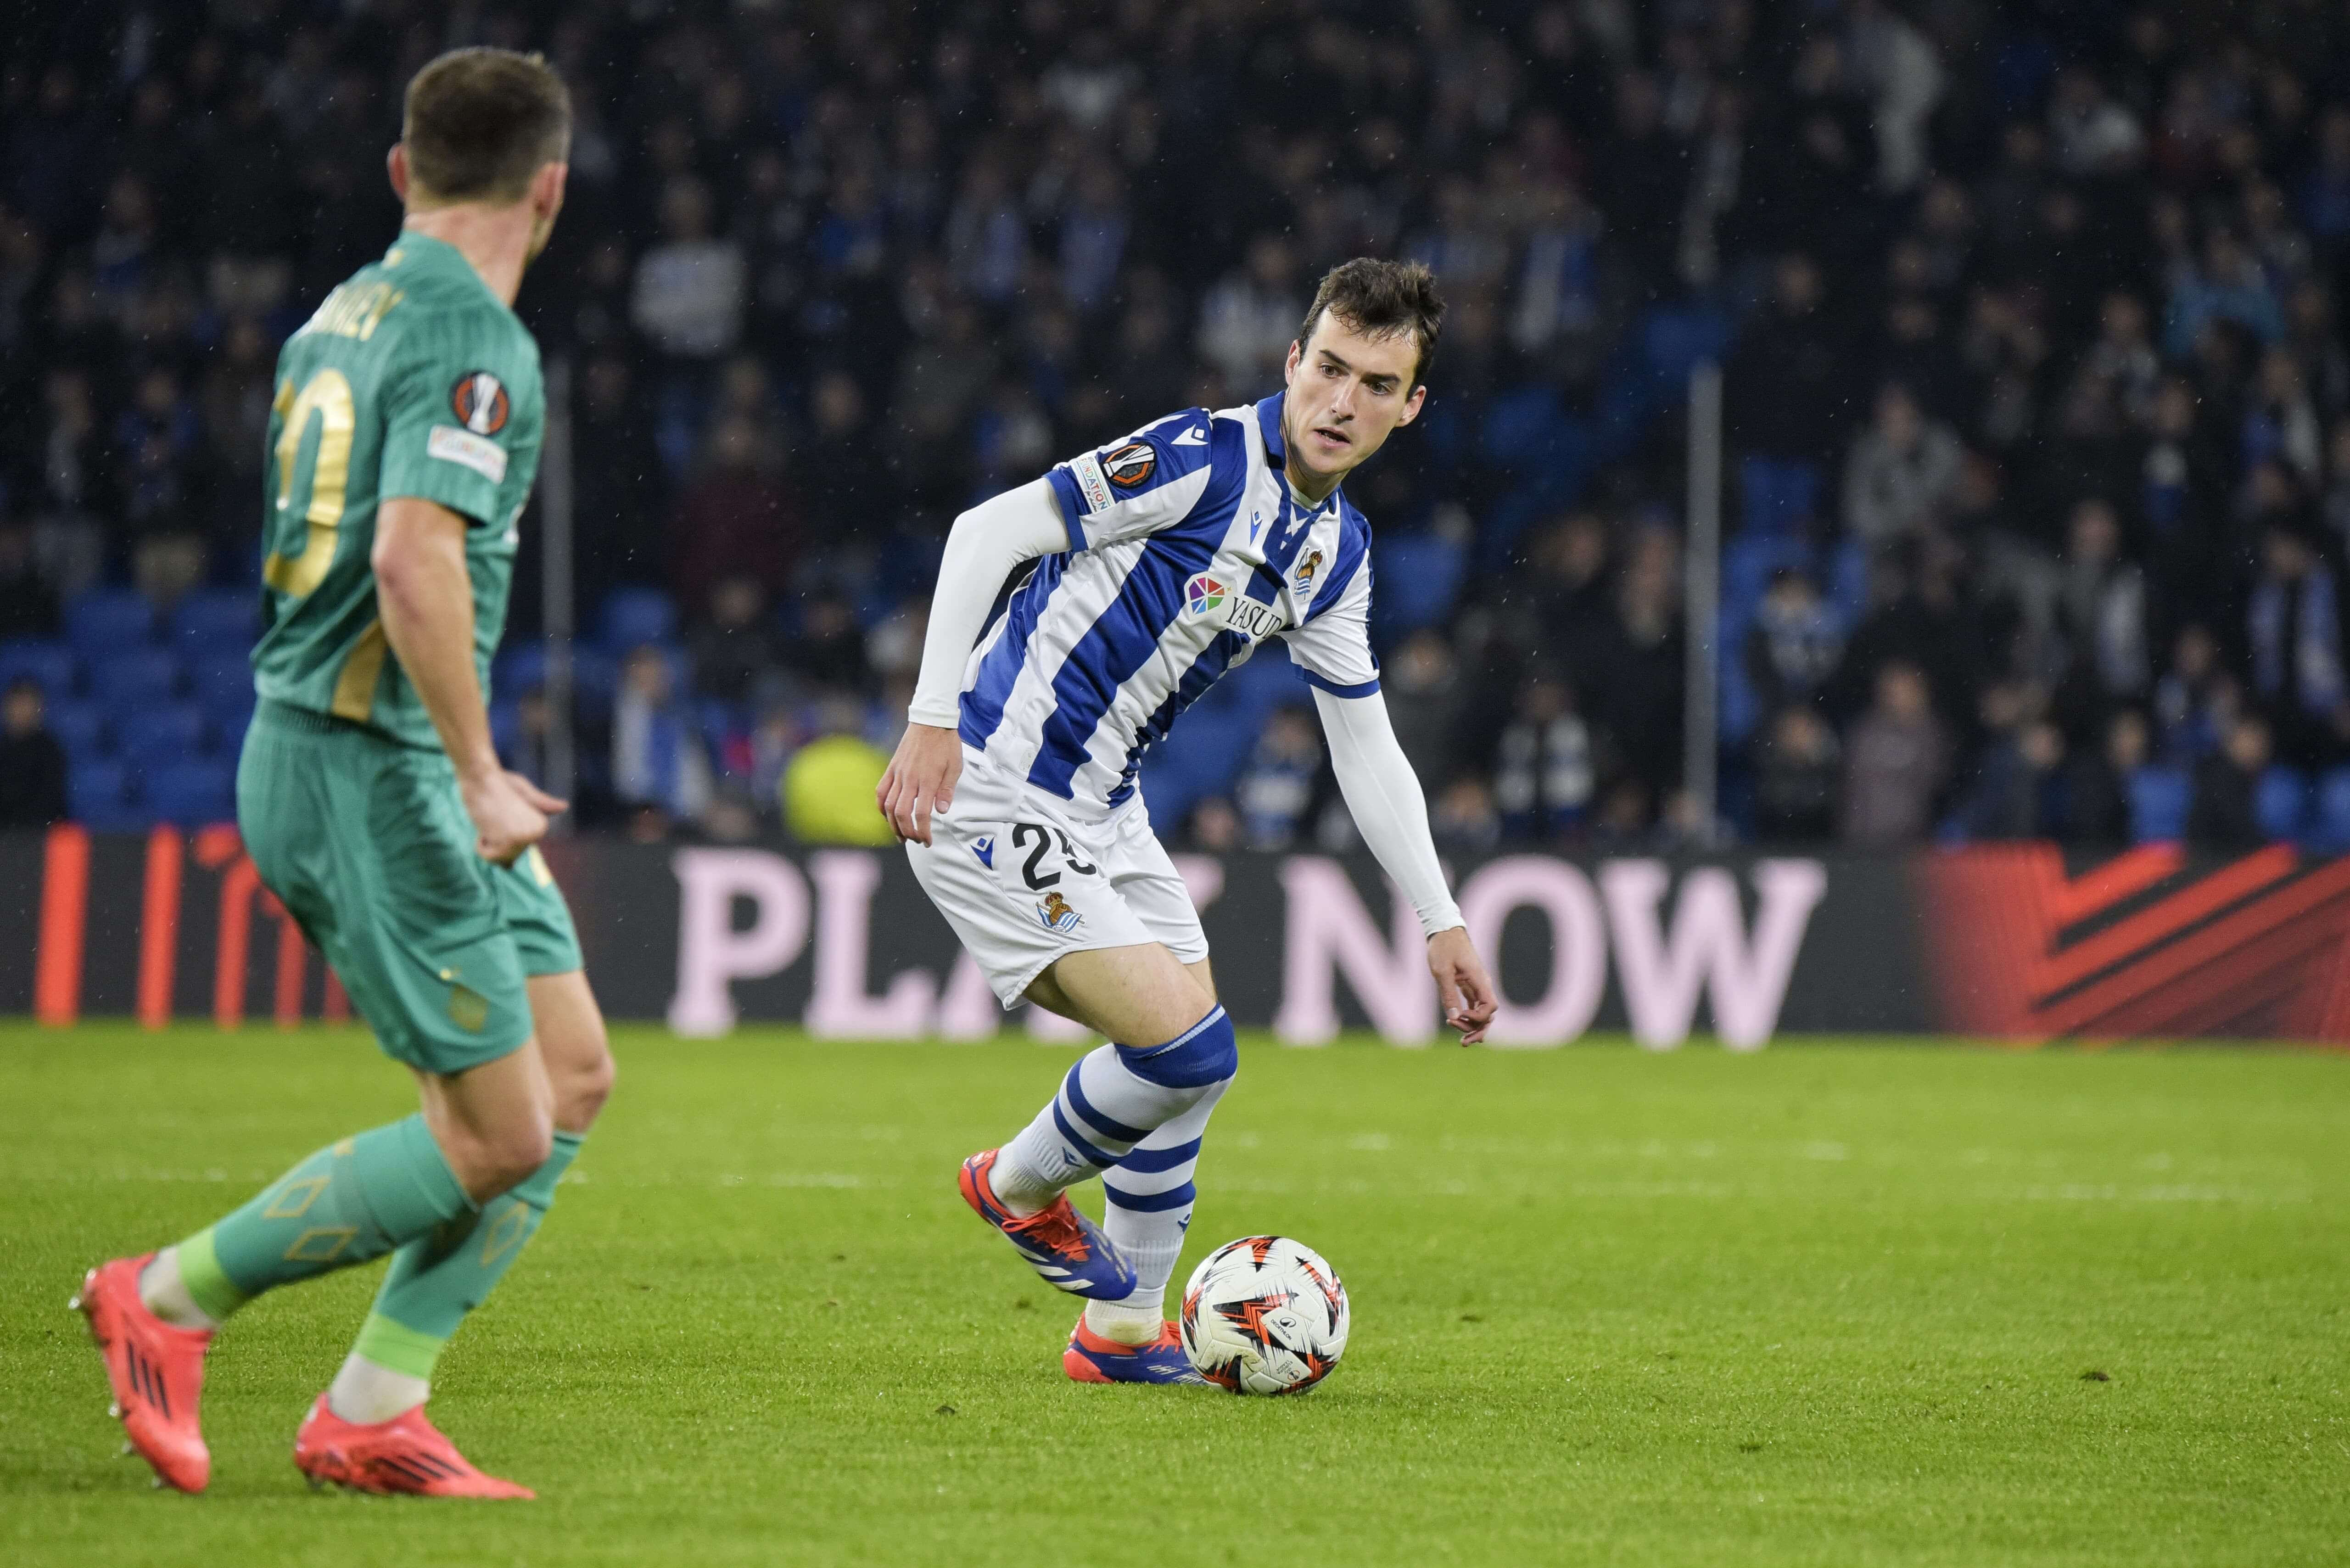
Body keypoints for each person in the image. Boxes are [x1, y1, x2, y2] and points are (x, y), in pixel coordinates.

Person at [73, 50, 613, 1501]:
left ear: (400, 171)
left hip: (366, 754)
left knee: (568, 1076)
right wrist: (484, 770)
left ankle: (373, 1406)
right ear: (549, 190)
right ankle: (168, 1295)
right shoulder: (475, 340)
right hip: (375, 763)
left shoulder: (338, 314)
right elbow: (408, 555)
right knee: (498, 1130)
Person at [877, 258, 1496, 1385]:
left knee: (1195, 1066)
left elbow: (1362, 742)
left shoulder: (1336, 552)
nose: (1341, 403)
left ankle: (1120, 1332)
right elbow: (984, 533)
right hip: (996, 784)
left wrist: (1439, 915)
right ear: (1292, 361)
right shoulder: (1198, 460)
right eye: (1329, 369)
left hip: (1104, 812)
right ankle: (1013, 1184)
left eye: (1375, 383)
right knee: (1183, 1046)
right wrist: (930, 721)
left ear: (1411, 406)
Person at [0, 676, 69, 827]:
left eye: (27, 703)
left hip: (40, 834)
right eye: (17, 703)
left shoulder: (49, 751)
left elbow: (50, 800)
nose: (22, 710)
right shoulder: (3, 749)